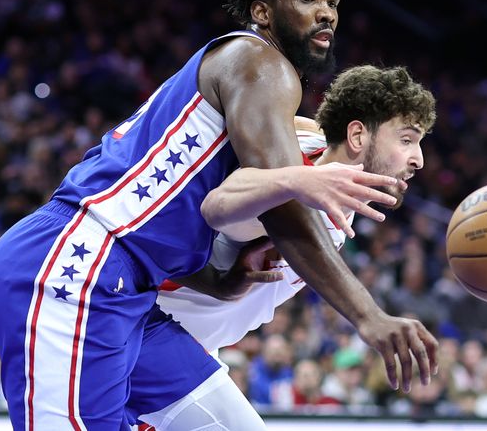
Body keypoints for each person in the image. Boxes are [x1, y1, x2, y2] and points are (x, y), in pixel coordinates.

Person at [0, 0, 438, 430]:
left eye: (333, 1)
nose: (327, 11)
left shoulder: (265, 91)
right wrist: (369, 316)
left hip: (130, 285)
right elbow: (279, 204)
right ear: (263, 11)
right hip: (79, 267)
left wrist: (218, 279)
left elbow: (179, 214)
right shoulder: (259, 62)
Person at [129, 64, 436, 427]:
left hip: (189, 343)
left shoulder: (309, 140)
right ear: (357, 137)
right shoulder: (295, 191)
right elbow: (217, 205)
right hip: (145, 332)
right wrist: (295, 181)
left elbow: (305, 129)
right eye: (406, 140)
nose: (419, 159)